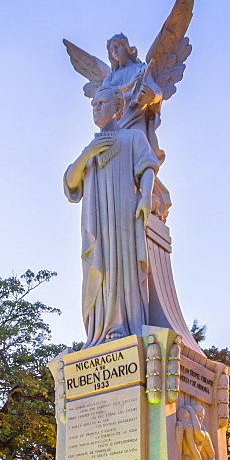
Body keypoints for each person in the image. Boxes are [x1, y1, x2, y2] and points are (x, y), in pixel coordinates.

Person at [64, 86, 159, 347]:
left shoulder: (133, 138)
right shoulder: (90, 149)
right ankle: (98, 329)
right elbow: (71, 184)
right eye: (93, 104)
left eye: (102, 102)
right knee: (100, 268)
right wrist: (87, 154)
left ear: (118, 108)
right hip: (97, 223)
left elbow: (147, 167)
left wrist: (146, 196)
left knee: (121, 265)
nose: (96, 107)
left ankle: (120, 324)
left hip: (122, 216)